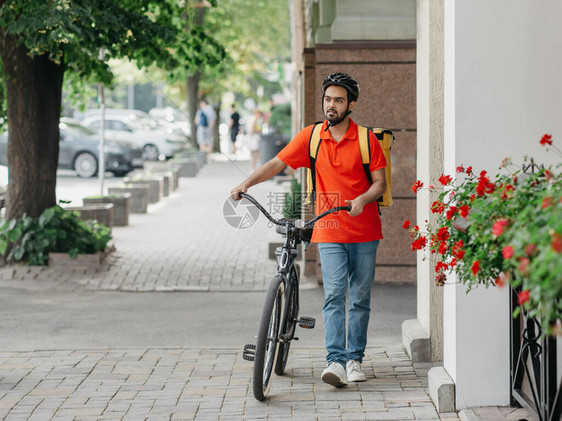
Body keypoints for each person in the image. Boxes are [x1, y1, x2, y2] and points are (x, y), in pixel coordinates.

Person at [231, 72, 387, 388]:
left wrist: (362, 199)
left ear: (351, 105)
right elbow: (277, 163)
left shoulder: (366, 140)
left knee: (359, 297)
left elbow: (380, 183)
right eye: (328, 99)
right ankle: (335, 362)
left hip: (365, 230)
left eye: (339, 100)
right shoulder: (312, 137)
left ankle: (355, 358)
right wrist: (246, 183)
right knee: (334, 295)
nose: (331, 105)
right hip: (327, 228)